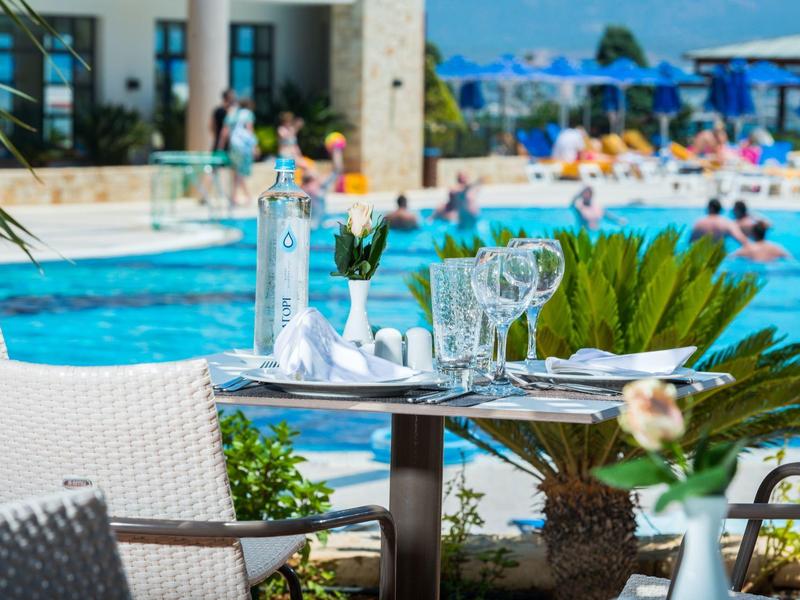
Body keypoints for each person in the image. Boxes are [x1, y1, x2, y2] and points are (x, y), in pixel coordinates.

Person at [223, 98, 257, 206]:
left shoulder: (232, 114)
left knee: (236, 171)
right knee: (240, 171)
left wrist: (220, 147)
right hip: (243, 146)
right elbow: (249, 130)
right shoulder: (248, 114)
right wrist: (254, 146)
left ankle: (235, 196)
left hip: (233, 146)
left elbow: (225, 132)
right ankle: (243, 196)